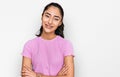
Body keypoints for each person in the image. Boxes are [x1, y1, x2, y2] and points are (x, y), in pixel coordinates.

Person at [21, 2, 74, 77]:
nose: (50, 21)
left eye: (56, 19)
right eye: (47, 16)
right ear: (42, 16)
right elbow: (25, 75)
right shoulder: (29, 45)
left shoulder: (66, 45)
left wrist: (37, 75)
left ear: (60, 22)